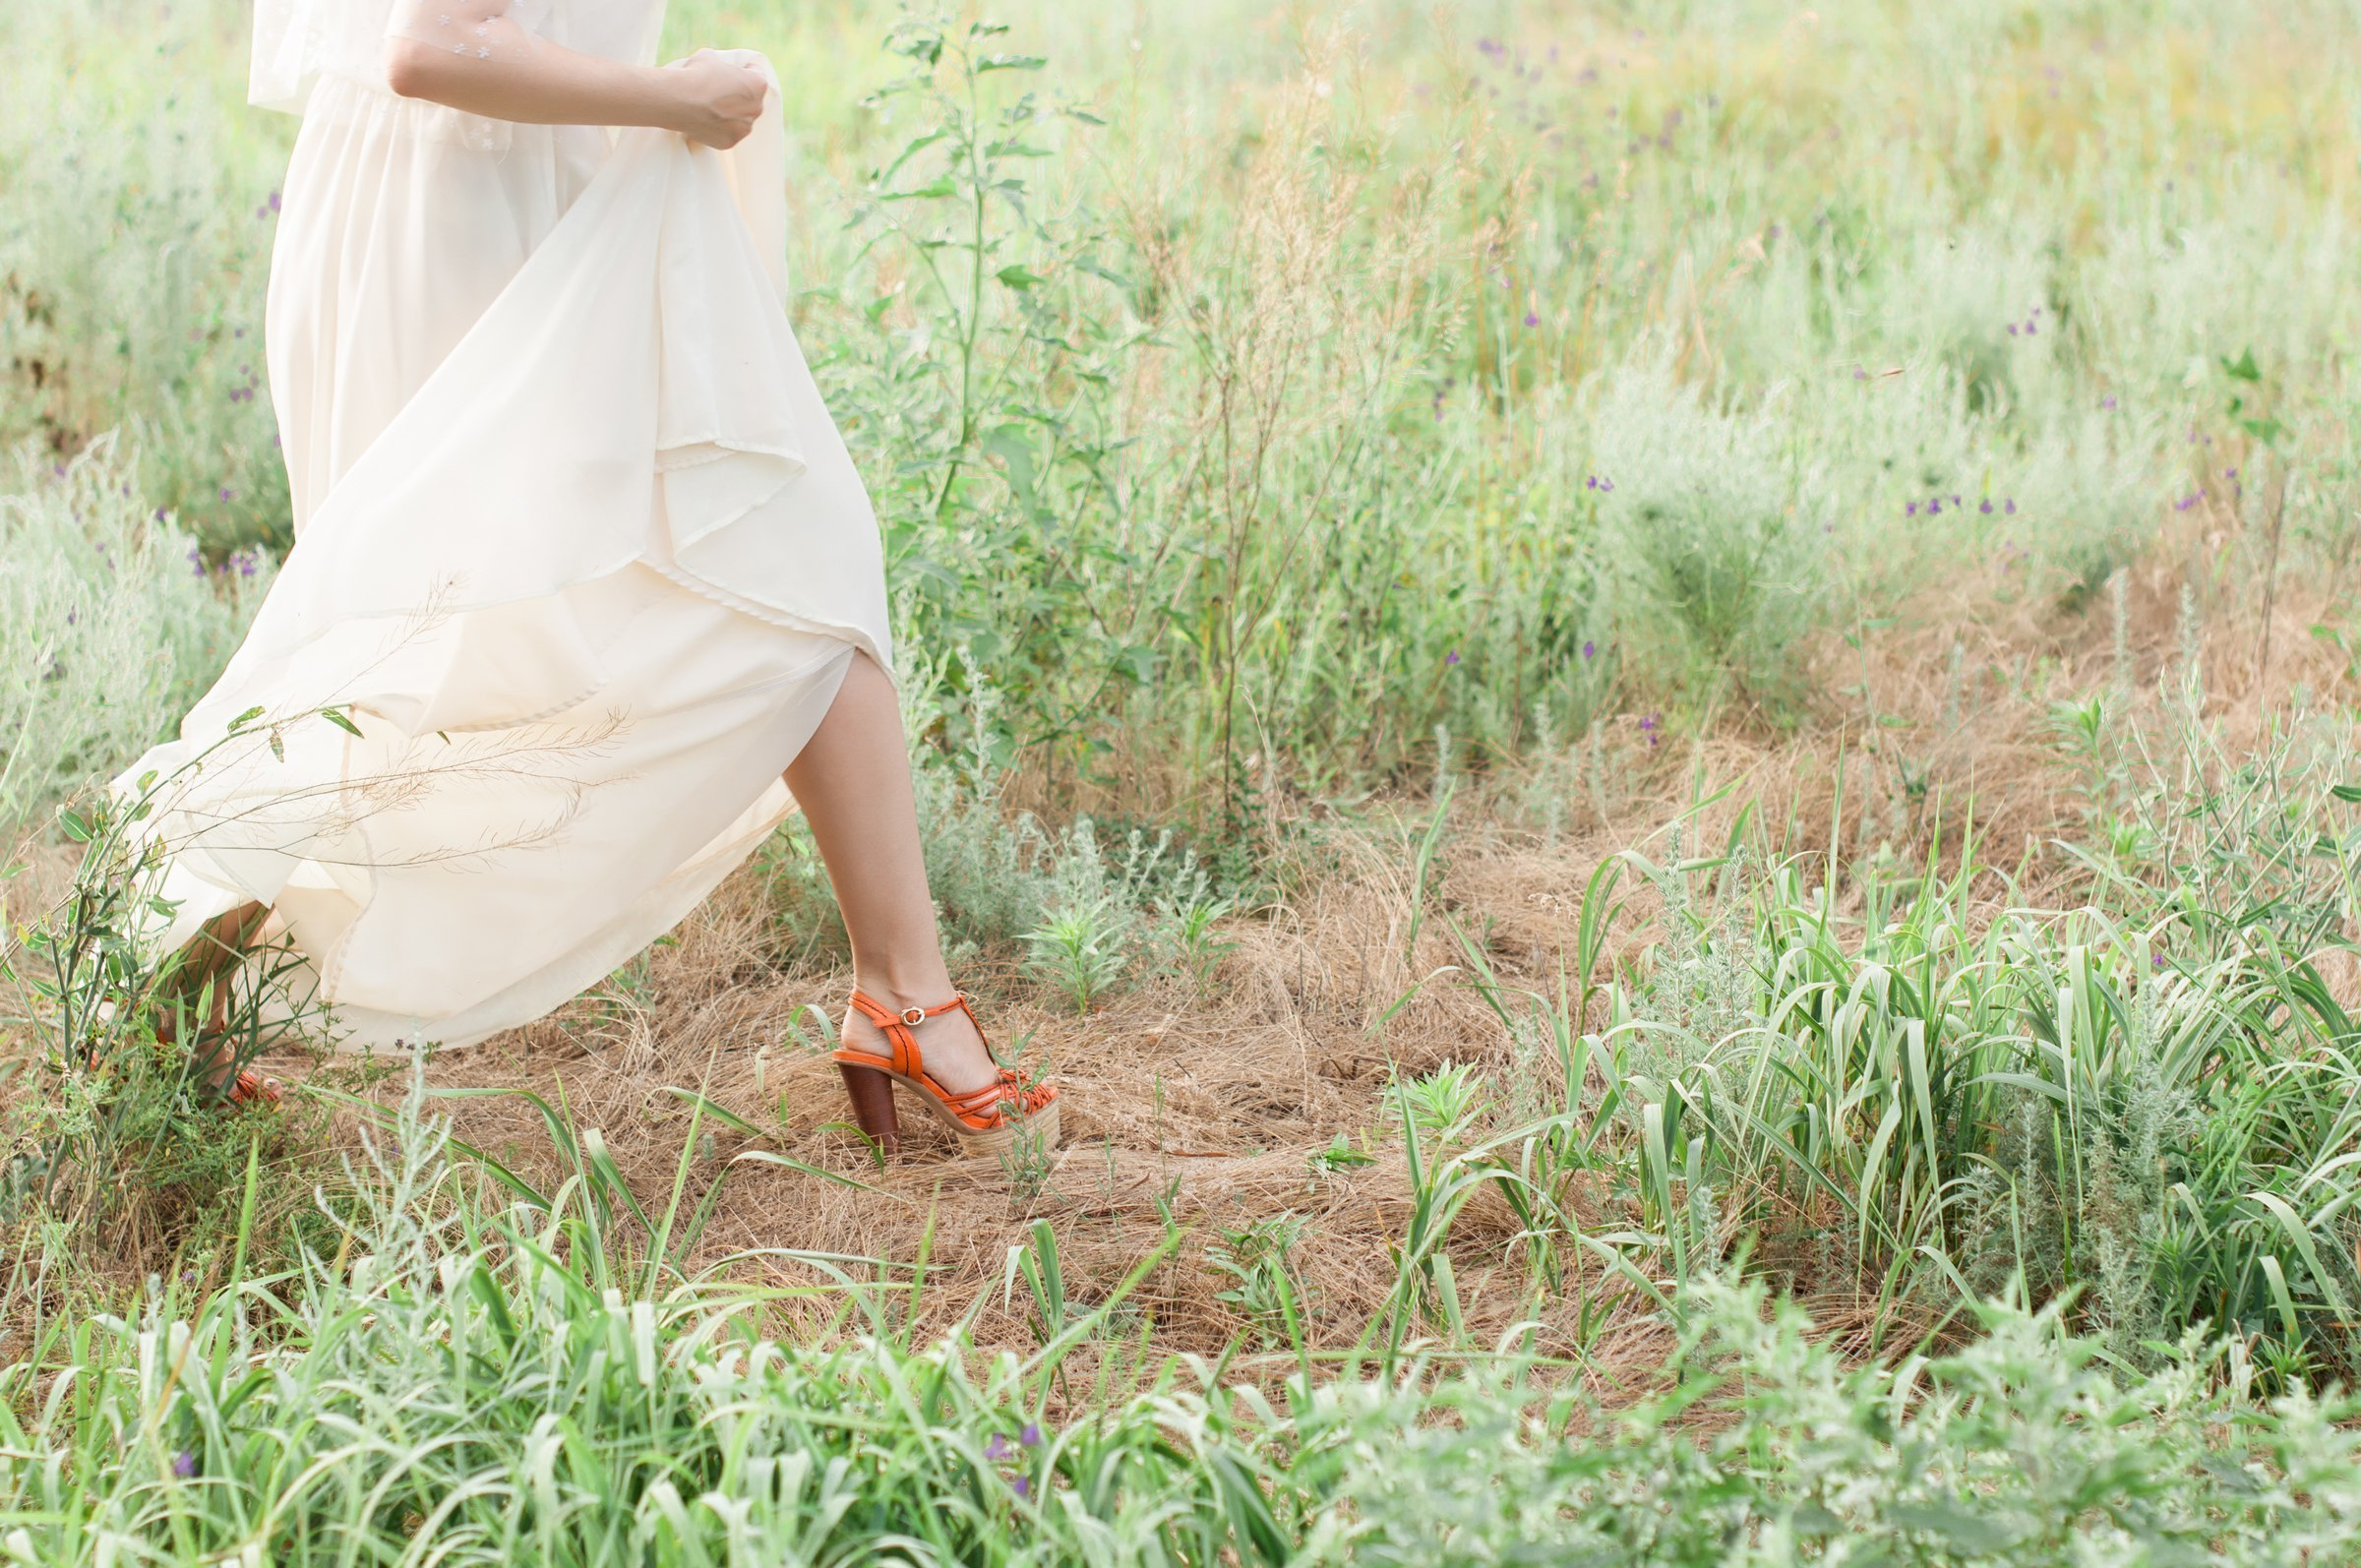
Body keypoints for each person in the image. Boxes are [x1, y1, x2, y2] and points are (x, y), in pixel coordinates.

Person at [118, 0, 1056, 1160]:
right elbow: (428, 46)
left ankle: (905, 992)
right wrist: (673, 98)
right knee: (422, 636)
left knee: (773, 552)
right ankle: (165, 974)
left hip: (513, 190)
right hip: (466, 214)